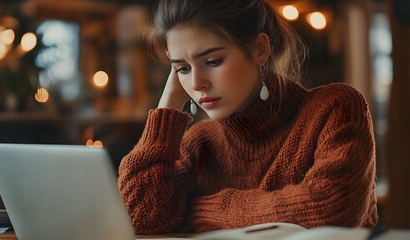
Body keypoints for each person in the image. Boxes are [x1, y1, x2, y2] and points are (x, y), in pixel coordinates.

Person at [118, 0, 378, 234]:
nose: (196, 83)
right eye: (182, 69)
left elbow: (330, 209)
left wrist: (195, 210)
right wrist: (167, 108)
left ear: (260, 50)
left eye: (212, 61)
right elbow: (142, 215)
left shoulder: (335, 107)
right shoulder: (201, 143)